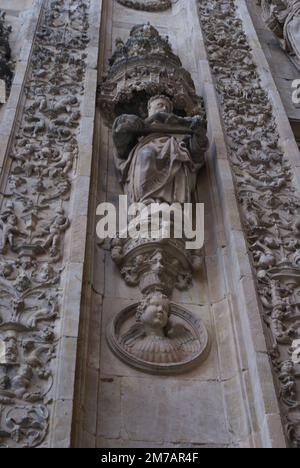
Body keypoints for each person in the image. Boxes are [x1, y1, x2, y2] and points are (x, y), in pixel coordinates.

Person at [113, 95, 207, 204]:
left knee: (178, 157)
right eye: (160, 105)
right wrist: (126, 121)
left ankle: (174, 202)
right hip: (147, 144)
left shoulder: (179, 133)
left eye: (167, 108)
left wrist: (199, 132)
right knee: (146, 154)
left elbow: (197, 153)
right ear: (149, 108)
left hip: (171, 144)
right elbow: (121, 142)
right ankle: (145, 201)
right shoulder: (138, 126)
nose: (163, 109)